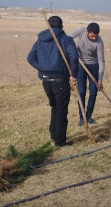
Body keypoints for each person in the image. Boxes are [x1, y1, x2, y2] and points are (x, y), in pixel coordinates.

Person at [27, 16, 79, 147]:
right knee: (61, 109)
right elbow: (74, 57)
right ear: (62, 26)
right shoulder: (66, 39)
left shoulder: (40, 40)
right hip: (60, 79)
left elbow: (30, 58)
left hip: (46, 80)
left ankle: (53, 133)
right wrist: (73, 75)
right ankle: (60, 141)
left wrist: (43, 69)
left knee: (55, 106)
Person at [69, 22, 105, 126]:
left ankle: (88, 116)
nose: (94, 38)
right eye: (92, 35)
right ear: (87, 32)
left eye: (96, 36)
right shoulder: (80, 30)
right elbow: (68, 39)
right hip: (80, 65)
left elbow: (101, 61)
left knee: (93, 92)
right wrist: (73, 50)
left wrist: (100, 80)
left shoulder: (99, 42)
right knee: (81, 91)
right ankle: (82, 117)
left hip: (94, 66)